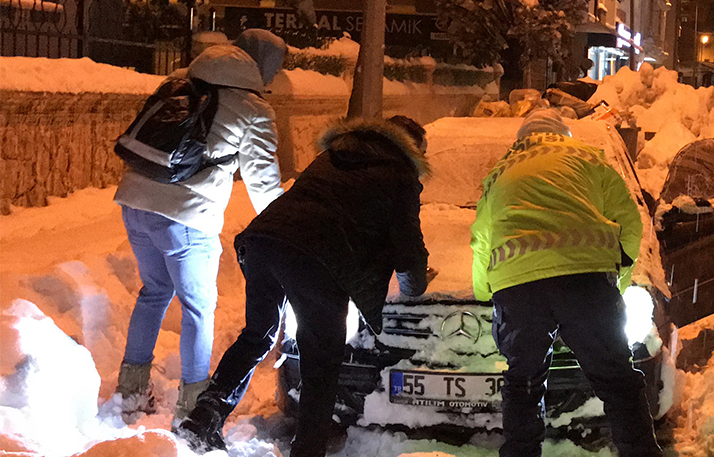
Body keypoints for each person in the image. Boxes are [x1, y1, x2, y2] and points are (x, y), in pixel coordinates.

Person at [175, 116, 431, 456]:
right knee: (322, 361)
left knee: (257, 335)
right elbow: (408, 247)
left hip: (264, 240)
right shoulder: (399, 173)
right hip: (316, 257)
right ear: (413, 149)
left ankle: (203, 417)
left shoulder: (334, 155)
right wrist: (413, 286)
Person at [113, 29, 287, 418]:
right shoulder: (254, 107)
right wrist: (285, 227)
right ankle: (193, 406)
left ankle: (130, 392)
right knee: (198, 306)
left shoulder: (180, 80)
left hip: (135, 200)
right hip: (187, 216)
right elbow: (263, 181)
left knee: (154, 290)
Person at [470, 110, 662, 457]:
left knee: (523, 383)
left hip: (519, 287)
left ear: (522, 139)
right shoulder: (588, 159)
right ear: (564, 134)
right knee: (618, 381)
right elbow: (630, 222)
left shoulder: (500, 173)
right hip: (584, 282)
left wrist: (486, 291)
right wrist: (615, 285)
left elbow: (482, 240)